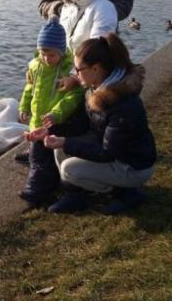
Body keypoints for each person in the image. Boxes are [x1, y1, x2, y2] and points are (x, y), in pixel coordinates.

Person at [15, 0, 119, 164]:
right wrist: (37, 65)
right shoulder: (68, 6)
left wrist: (75, 75)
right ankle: (41, 147)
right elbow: (55, 42)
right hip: (64, 69)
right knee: (47, 106)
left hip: (87, 75)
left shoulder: (104, 7)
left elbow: (98, 47)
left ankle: (65, 158)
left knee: (72, 115)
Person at [43, 33, 157, 215]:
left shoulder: (122, 104)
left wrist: (66, 142)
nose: (74, 74)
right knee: (60, 146)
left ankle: (125, 192)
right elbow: (81, 125)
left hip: (132, 166)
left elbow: (107, 153)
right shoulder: (95, 89)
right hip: (115, 153)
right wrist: (50, 130)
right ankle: (75, 195)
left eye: (78, 69)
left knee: (69, 168)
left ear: (95, 69)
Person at [17, 21, 87, 207]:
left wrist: (56, 114)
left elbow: (72, 97)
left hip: (55, 122)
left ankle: (35, 191)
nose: (47, 59)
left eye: (52, 55)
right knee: (39, 157)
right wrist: (24, 106)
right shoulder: (34, 66)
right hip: (37, 121)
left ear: (62, 52)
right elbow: (29, 88)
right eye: (43, 54)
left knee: (44, 158)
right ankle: (43, 189)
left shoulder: (67, 72)